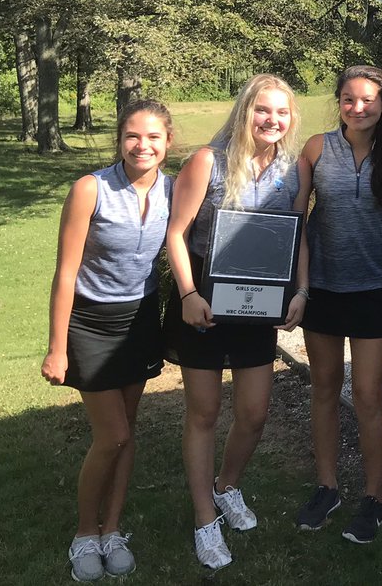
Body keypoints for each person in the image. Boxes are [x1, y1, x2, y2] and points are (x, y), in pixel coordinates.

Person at [164, 74, 311, 570]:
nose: (272, 120)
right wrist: (187, 294)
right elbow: (177, 233)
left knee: (253, 413)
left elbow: (297, 234)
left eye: (282, 112)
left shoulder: (292, 169)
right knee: (204, 413)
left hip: (260, 303)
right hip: (203, 302)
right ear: (245, 111)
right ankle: (205, 518)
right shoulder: (209, 161)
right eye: (262, 110)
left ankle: (226, 486)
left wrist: (301, 291)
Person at [41, 99, 174, 582]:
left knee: (127, 432)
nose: (142, 146)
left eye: (153, 137)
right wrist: (57, 347)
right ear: (120, 139)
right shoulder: (90, 189)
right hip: (90, 324)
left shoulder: (174, 189)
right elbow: (65, 272)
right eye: (132, 136)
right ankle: (85, 533)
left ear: (168, 142)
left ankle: (112, 529)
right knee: (112, 434)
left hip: (140, 321)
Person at [295, 65, 382, 544]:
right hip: (322, 287)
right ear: (338, 102)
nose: (357, 108)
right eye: (348, 99)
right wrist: (300, 288)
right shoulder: (317, 148)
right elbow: (297, 221)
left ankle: (375, 497)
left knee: (367, 396)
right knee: (324, 389)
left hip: (373, 288)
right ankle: (328, 487)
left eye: (367, 100)